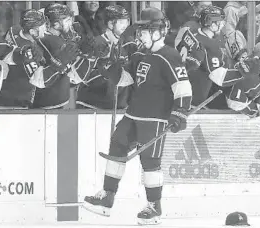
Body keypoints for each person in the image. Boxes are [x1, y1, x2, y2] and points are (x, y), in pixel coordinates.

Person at [83, 7, 192, 226]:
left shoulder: (169, 56)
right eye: (140, 31)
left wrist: (179, 113)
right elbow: (126, 79)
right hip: (133, 114)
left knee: (150, 162)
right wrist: (107, 66)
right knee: (117, 145)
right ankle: (107, 196)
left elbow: (183, 87)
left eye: (144, 31)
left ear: (158, 32)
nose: (139, 35)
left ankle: (154, 207)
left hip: (155, 119)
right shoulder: (139, 54)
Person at [76, 5, 133, 109]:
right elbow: (82, 76)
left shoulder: (123, 45)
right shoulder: (96, 44)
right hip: (91, 105)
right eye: (121, 22)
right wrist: (106, 74)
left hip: (116, 107)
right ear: (110, 24)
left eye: (127, 21)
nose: (125, 25)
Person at [0, 9, 47, 109]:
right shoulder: (29, 54)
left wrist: (24, 52)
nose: (45, 28)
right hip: (15, 102)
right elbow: (39, 81)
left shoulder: (14, 30)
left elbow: (8, 51)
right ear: (32, 31)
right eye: (42, 26)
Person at [32, 3, 81, 109]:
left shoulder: (52, 38)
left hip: (50, 98)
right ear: (56, 24)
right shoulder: (52, 41)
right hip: (48, 100)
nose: (70, 24)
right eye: (67, 21)